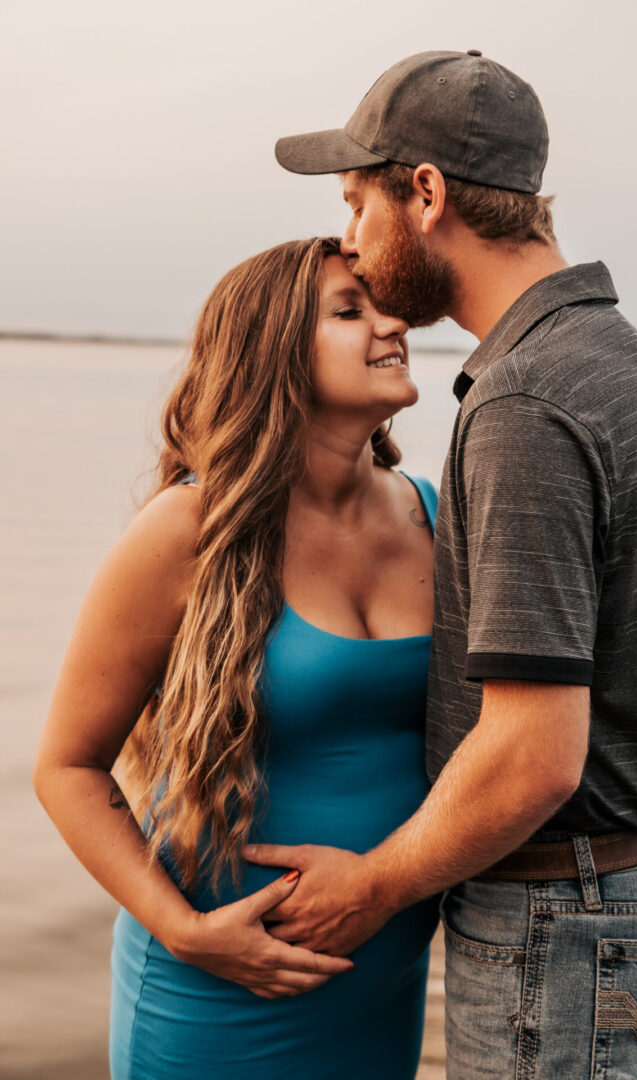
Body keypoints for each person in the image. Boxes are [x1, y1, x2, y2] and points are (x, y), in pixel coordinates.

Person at [251, 50, 637, 1079]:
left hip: (566, 907)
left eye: (355, 200)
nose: (347, 236)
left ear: (423, 194)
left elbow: (534, 754)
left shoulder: (521, 401)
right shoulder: (610, 351)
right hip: (636, 881)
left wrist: (368, 888)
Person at [33, 237, 442, 1079]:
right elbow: (67, 767)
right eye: (350, 310)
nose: (395, 322)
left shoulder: (436, 516)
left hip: (382, 981)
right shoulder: (191, 530)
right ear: (275, 352)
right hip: (215, 993)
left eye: (384, 305)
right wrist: (186, 933)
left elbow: (528, 685)